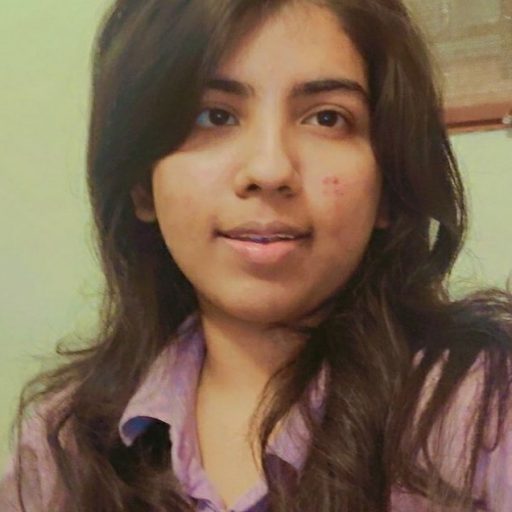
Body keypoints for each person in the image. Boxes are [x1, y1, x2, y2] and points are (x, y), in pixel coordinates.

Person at [1, 0, 511, 510]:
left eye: (327, 118)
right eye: (213, 116)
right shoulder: (61, 444)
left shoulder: (485, 413)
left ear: (389, 184)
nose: (269, 170)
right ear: (141, 184)